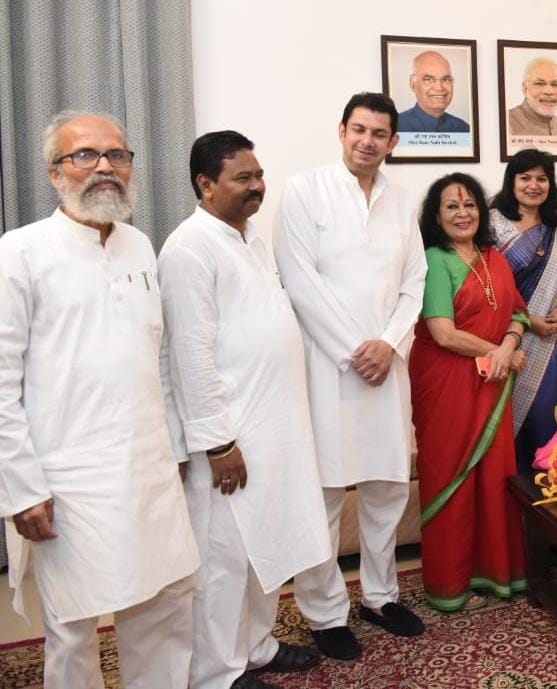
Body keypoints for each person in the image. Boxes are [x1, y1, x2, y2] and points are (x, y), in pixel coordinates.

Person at [0, 111, 199, 688]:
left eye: (118, 155)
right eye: (85, 155)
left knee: (164, 605)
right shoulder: (20, 252)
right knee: (76, 624)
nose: (105, 167)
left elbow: (157, 356)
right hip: (68, 477)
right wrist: (21, 485)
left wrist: (177, 446)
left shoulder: (140, 247)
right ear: (53, 172)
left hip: (149, 466)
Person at [159, 131, 333, 689]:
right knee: (225, 561)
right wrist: (217, 443)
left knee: (267, 548)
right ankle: (216, 672)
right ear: (205, 185)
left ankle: (257, 647)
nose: (258, 186)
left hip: (275, 426)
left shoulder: (251, 238)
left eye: (259, 175)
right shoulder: (188, 249)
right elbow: (189, 356)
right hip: (231, 436)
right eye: (243, 178)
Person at [275, 92, 427, 659]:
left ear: (393, 142)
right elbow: (298, 280)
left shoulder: (400, 201)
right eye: (358, 129)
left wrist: (387, 346)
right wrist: (353, 351)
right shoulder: (304, 191)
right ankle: (324, 612)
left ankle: (381, 595)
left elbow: (414, 282)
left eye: (379, 133)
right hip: (325, 368)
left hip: (388, 368)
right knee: (325, 494)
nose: (367, 140)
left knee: (387, 487)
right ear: (341, 131)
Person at [410, 172, 528, 612]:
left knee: (495, 479)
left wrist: (510, 346)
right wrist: (499, 351)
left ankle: (498, 577)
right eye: (451, 206)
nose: (463, 213)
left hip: (493, 382)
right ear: (436, 216)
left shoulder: (494, 257)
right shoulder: (433, 260)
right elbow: (442, 333)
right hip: (447, 384)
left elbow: (518, 313)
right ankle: (450, 583)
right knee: (452, 478)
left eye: (470, 204)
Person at [489, 149, 557, 471]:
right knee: (504, 433)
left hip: (548, 348)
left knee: (546, 427)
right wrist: (529, 321)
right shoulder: (490, 226)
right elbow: (484, 288)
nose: (533, 185)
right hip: (502, 344)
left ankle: (547, 508)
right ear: (511, 181)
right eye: (525, 177)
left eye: (541, 179)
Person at [397, 50, 469, 133]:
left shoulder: (464, 129)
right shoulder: (396, 127)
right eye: (428, 79)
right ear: (413, 84)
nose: (439, 88)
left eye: (445, 79)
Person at [507, 57, 557, 137]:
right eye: (539, 83)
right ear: (525, 89)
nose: (549, 91)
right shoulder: (507, 124)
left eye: (555, 84)